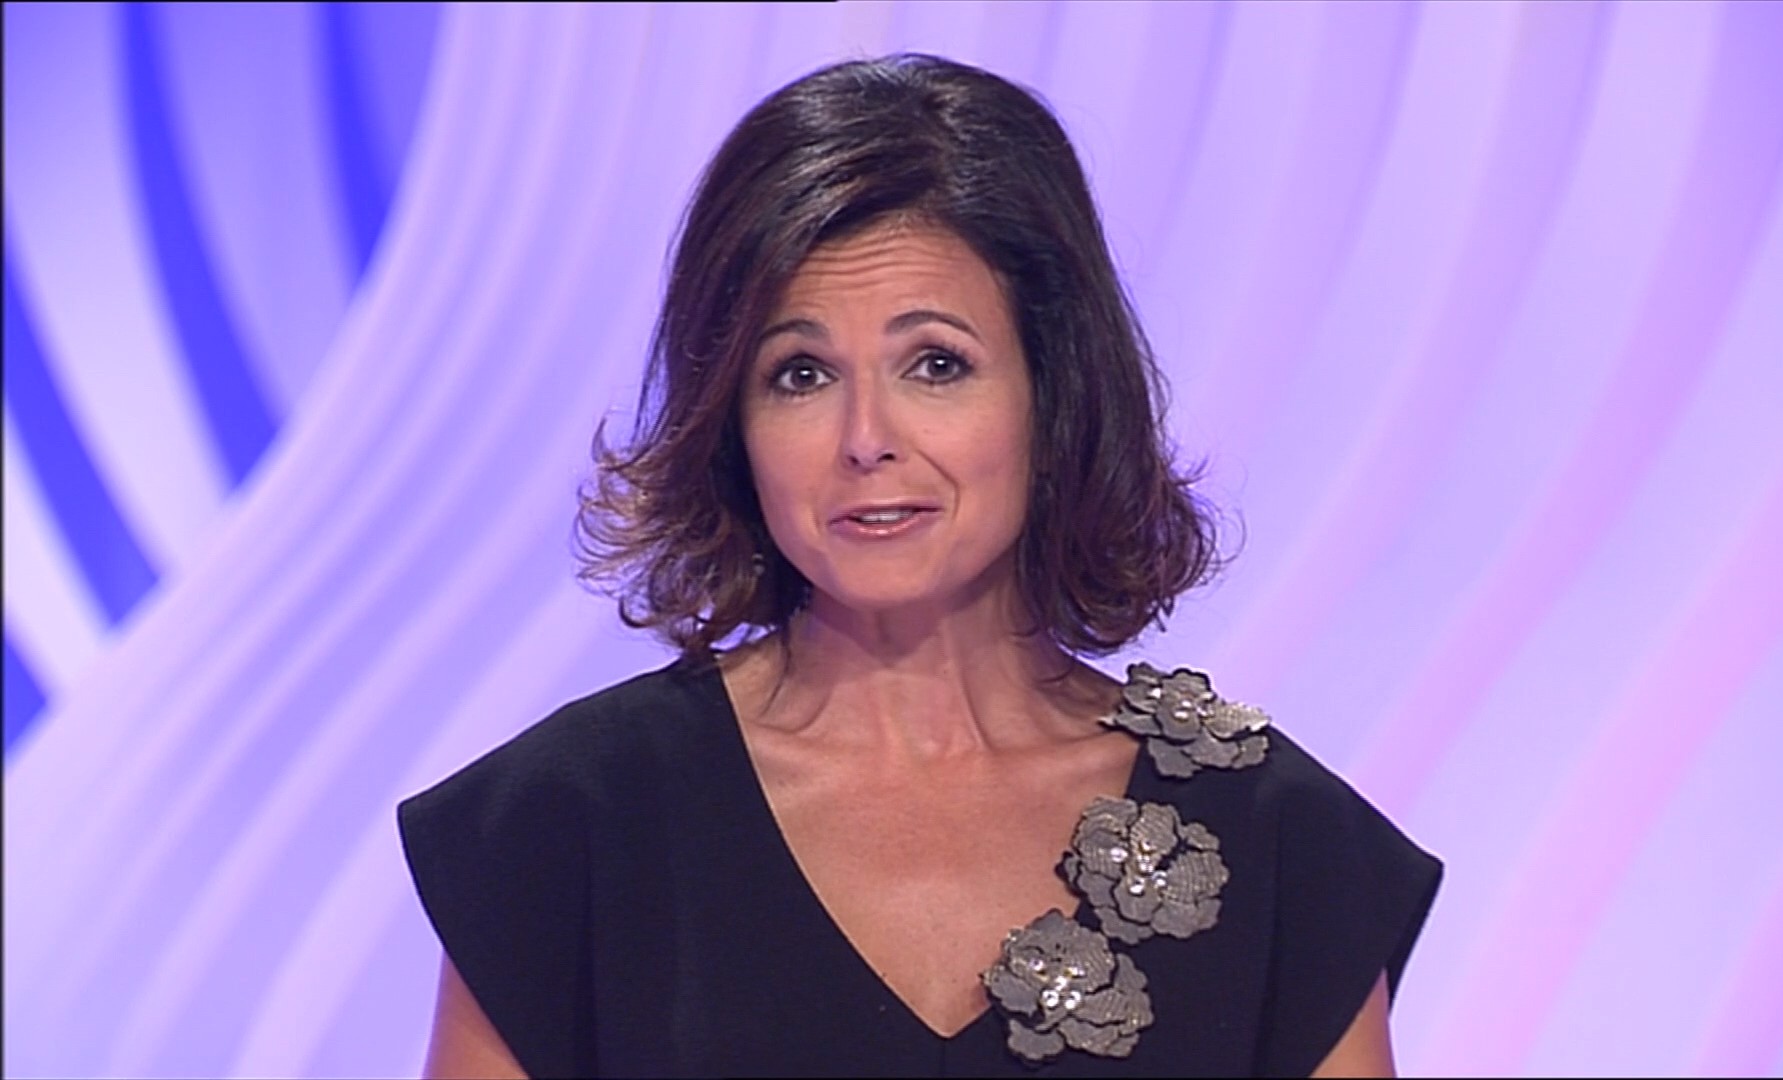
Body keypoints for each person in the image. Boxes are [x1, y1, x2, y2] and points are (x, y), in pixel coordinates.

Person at [398, 53, 1440, 1079]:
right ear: (732, 425)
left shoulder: (1271, 837)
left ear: (1054, 394)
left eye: (936, 364)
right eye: (800, 374)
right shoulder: (565, 824)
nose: (866, 439)